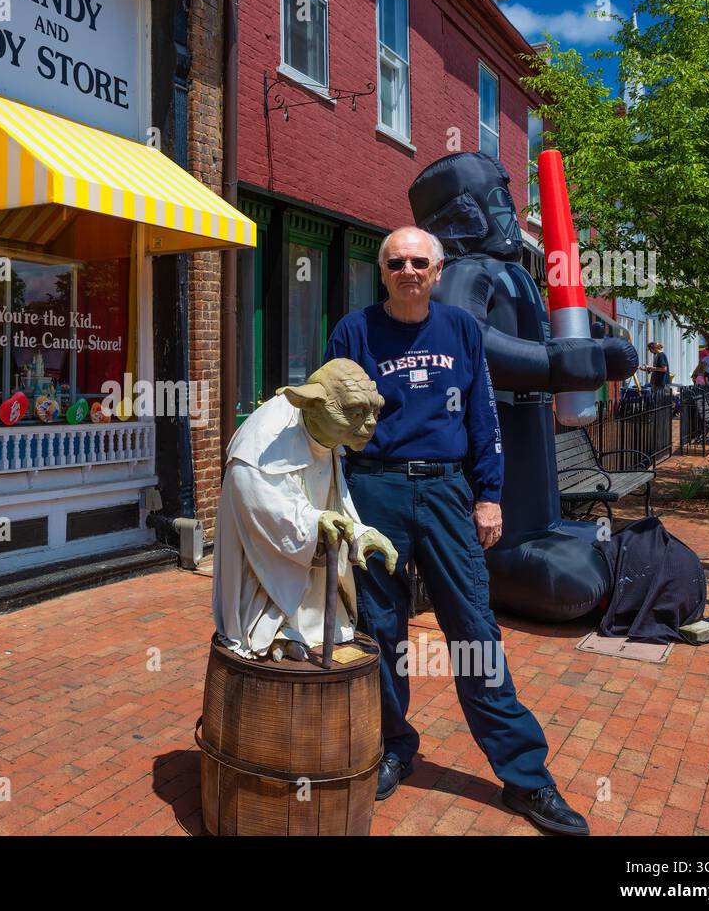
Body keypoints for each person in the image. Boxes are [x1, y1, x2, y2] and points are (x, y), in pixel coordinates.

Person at [325, 225, 589, 836]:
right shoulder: (353, 331)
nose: (408, 271)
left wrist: (489, 495)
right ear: (382, 269)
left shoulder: (461, 330)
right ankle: (394, 748)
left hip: (448, 492)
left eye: (420, 261)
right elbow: (335, 415)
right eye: (397, 262)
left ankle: (527, 779)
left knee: (473, 630)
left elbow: (482, 417)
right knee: (380, 628)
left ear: (438, 271)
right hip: (376, 490)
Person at [213, 358, 398, 661]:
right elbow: (261, 508)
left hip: (314, 577)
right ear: (311, 403)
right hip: (267, 570)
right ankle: (276, 630)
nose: (371, 425)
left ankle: (307, 626)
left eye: (374, 411)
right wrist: (315, 522)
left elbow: (337, 503)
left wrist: (361, 533)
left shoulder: (326, 435)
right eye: (355, 413)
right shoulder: (262, 442)